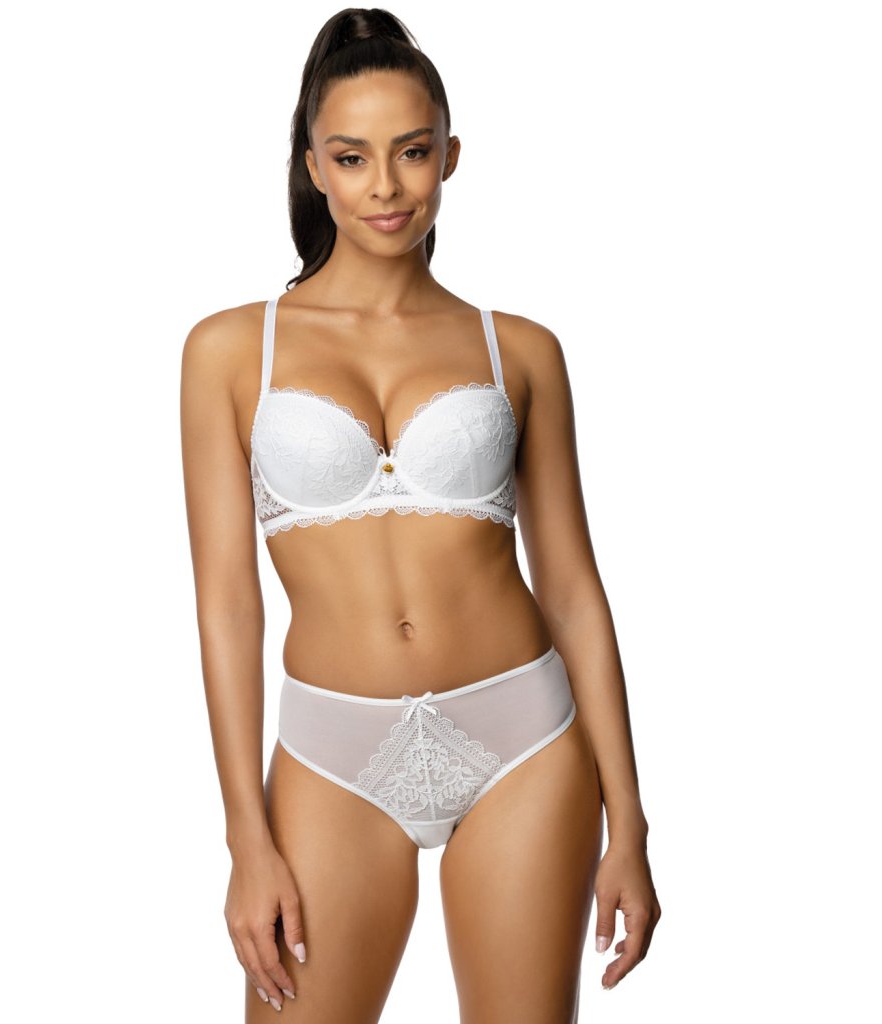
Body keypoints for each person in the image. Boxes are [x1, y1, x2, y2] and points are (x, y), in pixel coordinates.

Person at [180, 9, 660, 1021]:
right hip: (332, 755)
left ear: (450, 155)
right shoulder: (228, 350)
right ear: (313, 166)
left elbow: (573, 588)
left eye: (411, 152)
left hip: (525, 738)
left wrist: (631, 822)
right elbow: (227, 604)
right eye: (352, 157)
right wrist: (245, 839)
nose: (386, 187)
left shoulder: (518, 349)